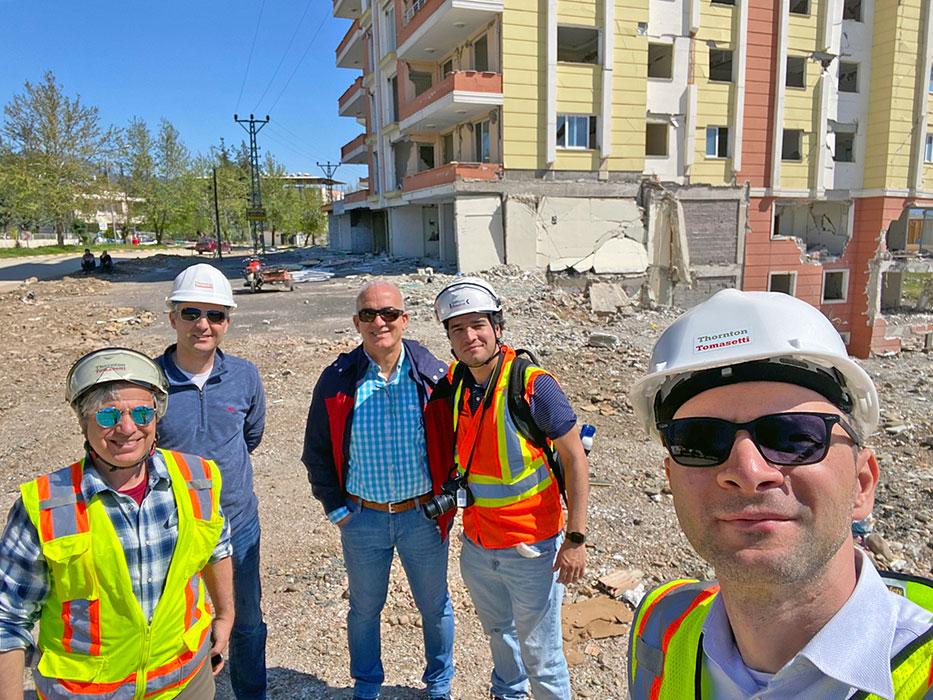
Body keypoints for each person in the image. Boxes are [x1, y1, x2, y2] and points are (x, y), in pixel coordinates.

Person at [626, 289, 933, 699]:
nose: (748, 472)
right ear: (672, 479)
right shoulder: (660, 624)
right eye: (699, 441)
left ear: (862, 484)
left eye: (794, 436)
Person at [0, 347, 233, 698]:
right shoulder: (47, 505)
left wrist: (225, 614)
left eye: (142, 413)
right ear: (84, 421)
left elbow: (217, 547)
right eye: (108, 417)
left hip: (185, 681)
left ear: (157, 417)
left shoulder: (196, 478)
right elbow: (7, 618)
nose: (127, 429)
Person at [428, 277, 590, 700]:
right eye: (457, 329)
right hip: (479, 546)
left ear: (497, 327)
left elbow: (575, 458)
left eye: (478, 324)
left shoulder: (534, 384)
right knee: (500, 635)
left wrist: (575, 539)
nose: (469, 336)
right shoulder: (457, 381)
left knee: (541, 652)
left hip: (531, 548)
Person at [302, 280, 455, 700]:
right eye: (368, 315)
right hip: (363, 518)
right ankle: (367, 684)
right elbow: (316, 451)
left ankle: (439, 683)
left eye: (388, 313)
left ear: (404, 320)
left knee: (434, 607)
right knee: (364, 610)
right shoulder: (337, 380)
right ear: (357, 322)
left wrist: (449, 500)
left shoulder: (435, 377)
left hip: (422, 517)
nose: (379, 322)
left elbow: (459, 444)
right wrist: (336, 508)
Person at [155, 263, 268, 700]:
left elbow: (250, 436)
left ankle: (250, 693)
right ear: (172, 317)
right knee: (173, 621)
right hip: (172, 530)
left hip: (237, 524)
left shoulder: (244, 376)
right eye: (191, 313)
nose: (203, 324)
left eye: (215, 315)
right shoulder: (151, 383)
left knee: (245, 620)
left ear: (227, 321)